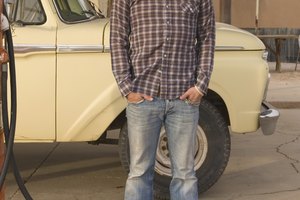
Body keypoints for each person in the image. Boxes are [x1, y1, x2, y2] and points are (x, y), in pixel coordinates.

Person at [110, 0, 215, 199]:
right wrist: (126, 88)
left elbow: (207, 37)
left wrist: (201, 85)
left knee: (185, 174)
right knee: (139, 172)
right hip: (143, 96)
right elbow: (117, 38)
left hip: (183, 99)